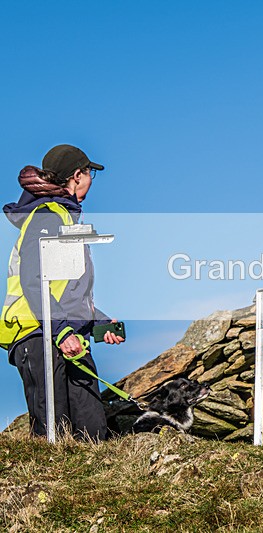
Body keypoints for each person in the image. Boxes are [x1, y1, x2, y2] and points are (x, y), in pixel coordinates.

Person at [1, 144, 125, 441]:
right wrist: (60, 331)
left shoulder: (66, 219)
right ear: (78, 175)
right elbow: (33, 281)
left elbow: (67, 290)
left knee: (93, 435)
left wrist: (98, 322)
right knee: (52, 436)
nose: (91, 181)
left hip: (64, 333)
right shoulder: (48, 217)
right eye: (91, 173)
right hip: (37, 332)